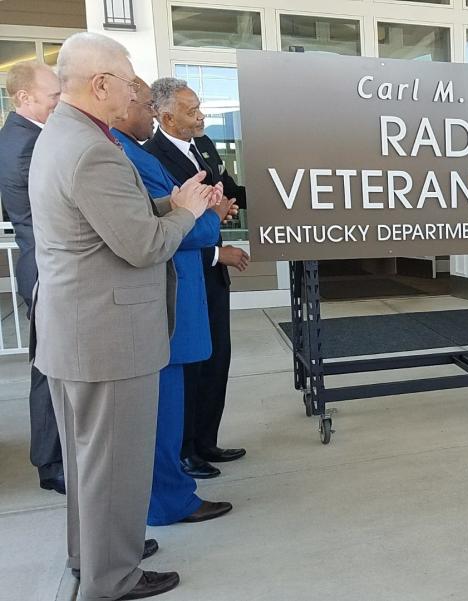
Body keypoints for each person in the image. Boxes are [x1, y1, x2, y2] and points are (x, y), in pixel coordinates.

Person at [29, 32, 215, 600]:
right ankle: (113, 578)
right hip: (108, 336)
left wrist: (170, 202)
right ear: (100, 83)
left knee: (92, 469)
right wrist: (184, 214)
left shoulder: (67, 135)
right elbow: (140, 244)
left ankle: (95, 558)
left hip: (80, 332)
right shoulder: (91, 149)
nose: (135, 91)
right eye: (130, 81)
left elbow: (111, 217)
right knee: (114, 467)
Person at [112, 77, 235, 525]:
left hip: (176, 290)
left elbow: (173, 210)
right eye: (143, 103)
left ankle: (175, 486)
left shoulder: (135, 151)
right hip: (164, 292)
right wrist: (202, 215)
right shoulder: (124, 155)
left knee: (181, 392)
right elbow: (165, 230)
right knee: (163, 409)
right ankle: (169, 496)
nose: (145, 111)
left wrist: (203, 209)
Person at [145, 77, 248, 479]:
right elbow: (172, 227)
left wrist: (226, 209)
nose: (201, 115)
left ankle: (206, 441)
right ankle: (186, 450)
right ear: (167, 117)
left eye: (199, 106)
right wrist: (217, 248)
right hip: (188, 277)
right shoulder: (152, 159)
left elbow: (219, 199)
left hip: (212, 278)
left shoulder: (203, 147)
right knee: (191, 369)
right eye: (192, 111)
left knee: (218, 359)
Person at [0, 60, 64, 494]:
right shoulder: (24, 144)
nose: (59, 102)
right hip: (47, 269)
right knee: (49, 370)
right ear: (24, 97)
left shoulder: (27, 136)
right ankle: (51, 463)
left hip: (43, 266)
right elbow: (41, 218)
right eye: (53, 96)